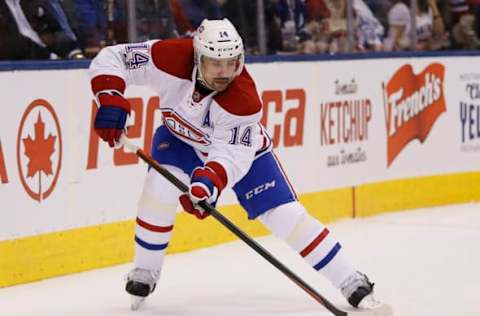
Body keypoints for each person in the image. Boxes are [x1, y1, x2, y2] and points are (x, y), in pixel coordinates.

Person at [88, 18, 384, 311]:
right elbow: (113, 58)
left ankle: (350, 279)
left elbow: (230, 156)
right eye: (216, 63)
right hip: (179, 140)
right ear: (198, 56)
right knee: (157, 191)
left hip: (244, 154)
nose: (225, 72)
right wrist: (110, 97)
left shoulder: (243, 100)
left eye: (232, 62)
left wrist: (207, 184)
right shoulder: (169, 57)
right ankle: (144, 271)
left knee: (286, 216)